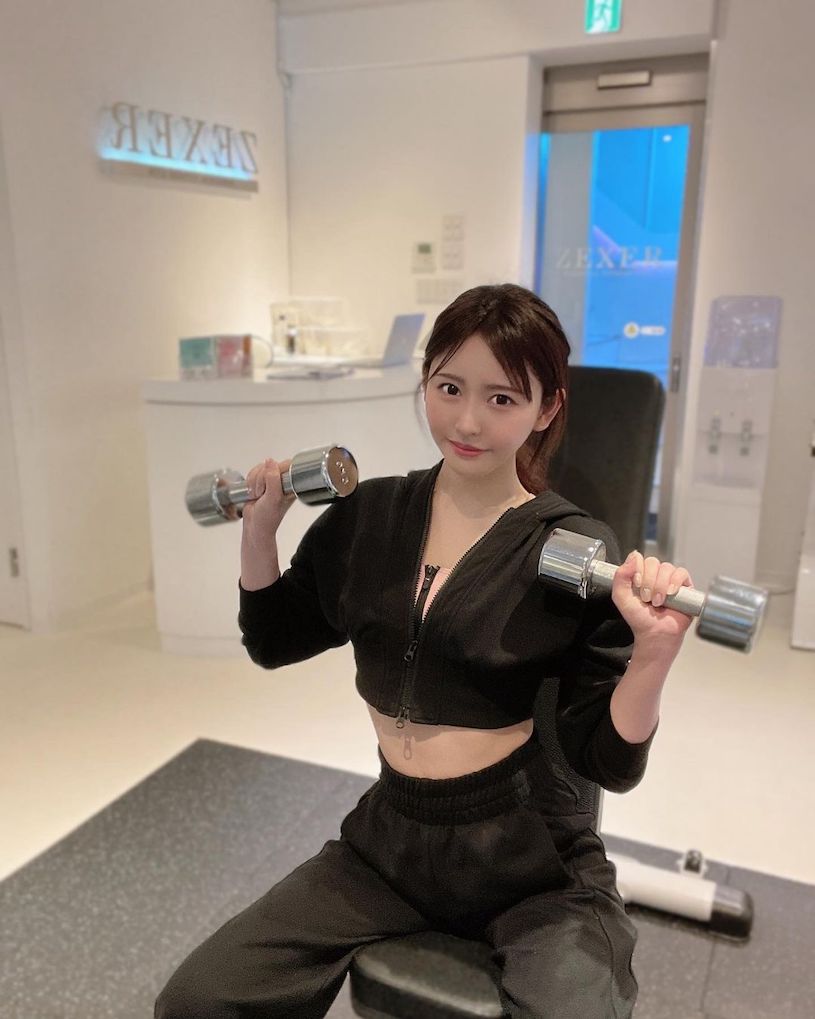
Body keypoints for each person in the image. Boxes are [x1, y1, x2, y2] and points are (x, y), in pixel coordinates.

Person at [155, 283, 693, 1019]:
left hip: (528, 857)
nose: (467, 420)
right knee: (197, 1002)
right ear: (426, 382)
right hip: (390, 841)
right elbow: (273, 640)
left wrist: (654, 654)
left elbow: (608, 762)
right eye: (449, 388)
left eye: (502, 399)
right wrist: (259, 531)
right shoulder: (367, 517)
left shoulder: (572, 548)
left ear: (546, 409)